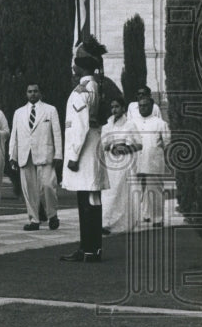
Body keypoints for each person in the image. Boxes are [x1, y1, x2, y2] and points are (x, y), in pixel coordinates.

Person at [60, 39, 110, 263]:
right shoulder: (96, 86)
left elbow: (79, 128)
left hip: (84, 154)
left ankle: (88, 249)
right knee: (92, 201)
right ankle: (92, 248)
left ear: (83, 66)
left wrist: (72, 157)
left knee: (87, 202)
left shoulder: (82, 91)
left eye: (76, 63)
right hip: (92, 151)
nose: (73, 67)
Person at [8, 83, 63, 231]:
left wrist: (58, 154)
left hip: (45, 154)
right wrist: (12, 155)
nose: (32, 94)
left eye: (35, 91)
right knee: (29, 189)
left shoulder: (50, 110)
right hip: (25, 155)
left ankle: (52, 215)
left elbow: (57, 133)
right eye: (30, 91)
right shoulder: (19, 112)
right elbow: (14, 135)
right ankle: (34, 220)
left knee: (48, 185)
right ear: (26, 94)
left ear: (40, 93)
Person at [100, 96, 139, 234]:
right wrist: (111, 148)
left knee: (120, 193)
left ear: (123, 108)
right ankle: (106, 222)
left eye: (117, 107)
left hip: (125, 163)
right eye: (112, 107)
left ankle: (116, 222)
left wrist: (126, 149)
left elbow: (139, 144)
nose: (114, 109)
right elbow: (103, 144)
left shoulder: (130, 125)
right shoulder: (107, 125)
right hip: (110, 163)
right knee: (108, 193)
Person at [129, 95, 170, 227]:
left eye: (145, 105)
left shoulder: (160, 123)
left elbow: (167, 143)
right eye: (140, 105)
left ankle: (157, 218)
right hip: (136, 160)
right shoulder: (132, 122)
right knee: (135, 189)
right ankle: (141, 215)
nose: (142, 108)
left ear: (152, 107)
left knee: (154, 189)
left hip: (153, 160)